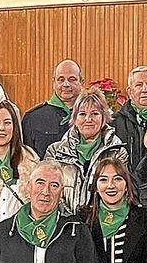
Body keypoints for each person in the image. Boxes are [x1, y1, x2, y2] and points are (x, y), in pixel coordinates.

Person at [45, 87, 128, 216]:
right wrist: (70, 220)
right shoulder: (55, 152)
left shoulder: (117, 152)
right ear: (74, 118)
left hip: (101, 224)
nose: (88, 119)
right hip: (63, 224)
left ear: (104, 117)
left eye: (94, 114)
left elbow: (120, 191)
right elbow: (49, 190)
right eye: (82, 114)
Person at [21, 59, 84, 158]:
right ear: (54, 83)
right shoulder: (33, 118)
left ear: (81, 82)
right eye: (61, 80)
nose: (66, 84)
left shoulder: (94, 116)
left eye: (72, 79)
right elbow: (27, 158)